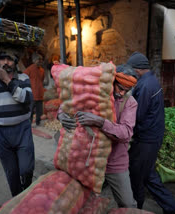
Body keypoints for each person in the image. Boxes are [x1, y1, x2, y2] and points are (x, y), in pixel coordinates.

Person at [58, 64, 138, 208]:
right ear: (111, 82)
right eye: (119, 88)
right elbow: (69, 102)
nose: (121, 93)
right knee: (82, 199)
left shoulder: (129, 103)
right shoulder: (94, 92)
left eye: (126, 91)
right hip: (88, 159)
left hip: (114, 162)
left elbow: (125, 133)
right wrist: (61, 115)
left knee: (127, 203)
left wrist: (100, 122)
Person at [126, 52, 175, 214]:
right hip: (152, 137)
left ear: (137, 70)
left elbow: (138, 114)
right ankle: (173, 209)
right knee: (149, 176)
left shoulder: (145, 86)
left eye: (131, 71)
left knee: (136, 175)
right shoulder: (150, 81)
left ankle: (137, 208)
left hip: (146, 140)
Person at [0, 45, 34, 197]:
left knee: (27, 169)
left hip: (23, 130)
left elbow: (27, 100)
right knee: (11, 173)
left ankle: (27, 191)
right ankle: (17, 200)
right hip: (2, 134)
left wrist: (7, 81)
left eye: (9, 59)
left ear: (15, 61)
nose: (5, 62)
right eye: (2, 58)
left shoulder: (23, 79)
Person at [24, 52, 45, 126]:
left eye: (41, 60)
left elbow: (41, 80)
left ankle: (38, 122)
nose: (40, 61)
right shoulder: (29, 69)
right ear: (34, 60)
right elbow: (24, 78)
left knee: (39, 110)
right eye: (39, 60)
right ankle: (29, 123)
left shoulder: (42, 70)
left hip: (40, 93)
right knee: (30, 109)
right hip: (32, 93)